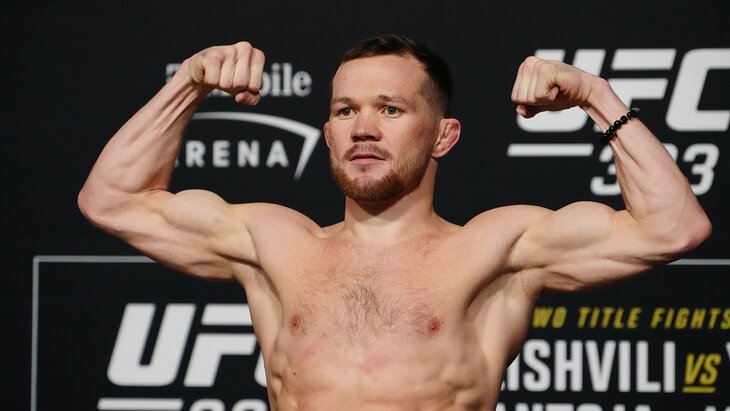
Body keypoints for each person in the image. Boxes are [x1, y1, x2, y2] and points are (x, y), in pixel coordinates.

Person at [78, 34, 711, 410]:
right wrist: (189, 82)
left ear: (443, 136)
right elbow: (111, 199)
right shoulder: (272, 243)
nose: (364, 128)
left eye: (390, 109)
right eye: (345, 111)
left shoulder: (497, 248)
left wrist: (596, 96)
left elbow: (672, 229)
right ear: (328, 133)